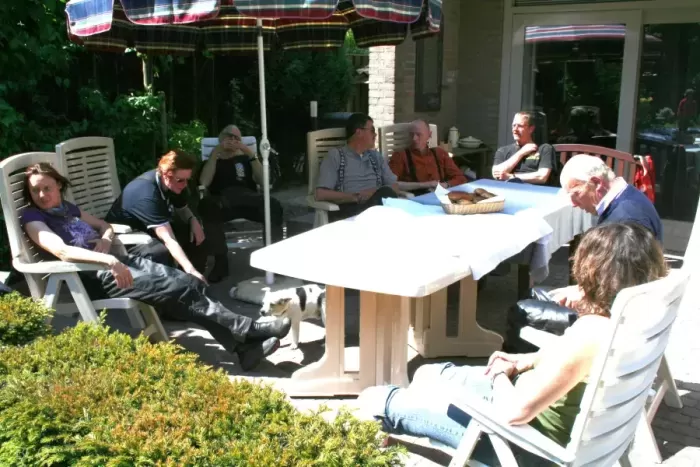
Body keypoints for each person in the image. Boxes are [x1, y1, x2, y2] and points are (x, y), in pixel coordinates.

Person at [358, 223, 667, 464]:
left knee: (375, 399)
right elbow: (572, 367)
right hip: (532, 405)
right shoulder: (637, 323)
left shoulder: (590, 335)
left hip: (521, 443)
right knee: (427, 374)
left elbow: (516, 413)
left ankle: (399, 425)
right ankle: (419, 414)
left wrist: (499, 376)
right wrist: (524, 360)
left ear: (594, 272)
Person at [20, 162, 291, 371]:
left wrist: (105, 239)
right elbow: (62, 250)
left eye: (47, 188)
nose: (42, 195)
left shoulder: (67, 208)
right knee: (177, 289)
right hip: (94, 276)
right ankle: (248, 330)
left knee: (190, 283)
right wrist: (108, 259)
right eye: (35, 190)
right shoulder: (32, 217)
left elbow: (104, 225)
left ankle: (244, 350)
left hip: (119, 263)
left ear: (59, 185)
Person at [503, 154, 663, 352]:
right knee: (533, 295)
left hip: (619, 323)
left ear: (596, 183)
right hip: (628, 304)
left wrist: (584, 295)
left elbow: (623, 290)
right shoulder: (629, 199)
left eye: (575, 193)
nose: (573, 203)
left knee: (521, 313)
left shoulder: (626, 221)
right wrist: (582, 289)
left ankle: (519, 367)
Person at [105, 150, 208, 283]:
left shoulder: (173, 183)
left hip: (151, 228)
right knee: (160, 252)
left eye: (187, 180)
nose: (184, 185)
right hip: (125, 237)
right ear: (165, 174)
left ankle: (197, 283)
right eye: (180, 180)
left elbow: (182, 208)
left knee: (193, 234)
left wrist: (193, 220)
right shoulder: (147, 194)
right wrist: (190, 269)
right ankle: (177, 285)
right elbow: (169, 239)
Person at [198, 124, 284, 283]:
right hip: (223, 202)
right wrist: (216, 152)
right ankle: (221, 262)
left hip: (249, 200)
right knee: (207, 206)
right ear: (221, 139)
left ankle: (273, 259)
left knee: (274, 206)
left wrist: (250, 153)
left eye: (237, 137)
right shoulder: (213, 159)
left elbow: (264, 181)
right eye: (229, 136)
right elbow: (204, 182)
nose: (233, 140)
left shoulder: (247, 158)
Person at [315, 113, 408, 222]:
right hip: (350, 211)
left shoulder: (375, 156)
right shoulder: (336, 156)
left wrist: (372, 193)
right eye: (372, 130)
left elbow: (394, 186)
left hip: (376, 206)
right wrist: (356, 196)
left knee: (388, 195)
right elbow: (320, 194)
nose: (375, 135)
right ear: (359, 132)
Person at [388, 120, 467, 195]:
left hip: (441, 195)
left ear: (429, 135)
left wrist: (445, 185)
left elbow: (461, 178)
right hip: (416, 197)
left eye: (418, 134)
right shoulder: (400, 155)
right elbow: (391, 184)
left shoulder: (440, 153)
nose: (414, 138)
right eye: (411, 134)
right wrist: (426, 185)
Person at [492, 111, 555, 185]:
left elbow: (542, 177)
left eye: (520, 126)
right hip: (507, 189)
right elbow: (496, 174)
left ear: (531, 129)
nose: (515, 129)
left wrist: (512, 177)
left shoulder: (544, 149)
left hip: (533, 190)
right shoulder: (503, 151)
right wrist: (521, 152)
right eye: (513, 125)